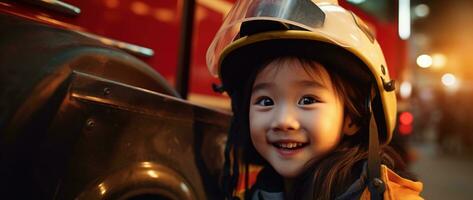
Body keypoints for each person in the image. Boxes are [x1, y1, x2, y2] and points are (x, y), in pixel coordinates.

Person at [206, 0, 423, 199]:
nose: (283, 121)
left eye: (308, 100)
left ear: (353, 119)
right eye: (265, 101)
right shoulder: (250, 193)